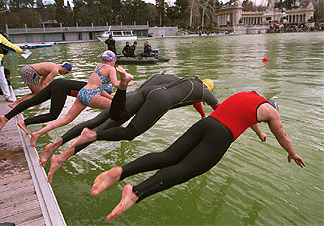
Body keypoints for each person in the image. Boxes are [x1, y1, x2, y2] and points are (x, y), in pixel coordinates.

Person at [90, 91, 306, 222]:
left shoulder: (249, 97)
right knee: (187, 169)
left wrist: (259, 132)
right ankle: (136, 192)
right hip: (221, 135)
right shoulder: (272, 112)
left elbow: (249, 117)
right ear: (273, 108)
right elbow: (283, 135)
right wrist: (292, 153)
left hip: (206, 123)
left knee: (167, 156)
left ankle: (121, 172)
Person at [41, 71, 219, 183]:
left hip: (136, 95)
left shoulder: (177, 80)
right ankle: (62, 157)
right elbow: (218, 108)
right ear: (209, 90)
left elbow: (196, 103)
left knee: (95, 123)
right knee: (125, 132)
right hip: (155, 102)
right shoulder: (204, 92)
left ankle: (55, 147)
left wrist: (202, 114)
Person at [28, 50, 136, 147]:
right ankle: (120, 129)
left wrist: (110, 96)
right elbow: (116, 84)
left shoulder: (98, 66)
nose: (114, 63)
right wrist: (126, 81)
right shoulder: (111, 68)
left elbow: (98, 86)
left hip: (82, 92)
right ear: (111, 60)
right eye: (114, 61)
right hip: (91, 95)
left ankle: (37, 133)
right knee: (116, 108)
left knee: (66, 119)